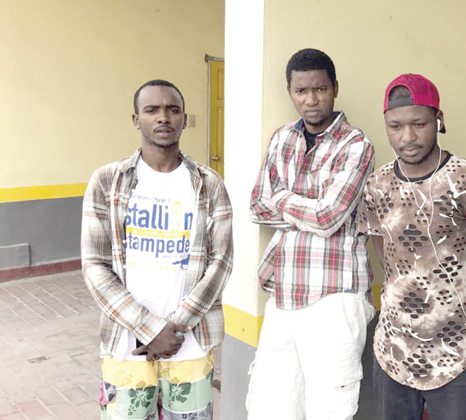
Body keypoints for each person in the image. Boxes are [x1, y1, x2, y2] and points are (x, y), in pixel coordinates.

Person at [358, 73, 466, 420]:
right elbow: (384, 248)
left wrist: (459, 309)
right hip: (393, 350)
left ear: (438, 119)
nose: (407, 137)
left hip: (457, 353)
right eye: (396, 126)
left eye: (419, 124)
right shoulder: (378, 185)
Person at [81, 79, 233, 419]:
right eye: (152, 110)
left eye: (172, 110)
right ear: (137, 119)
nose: (163, 117)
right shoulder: (107, 181)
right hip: (126, 343)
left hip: (190, 342)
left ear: (184, 119)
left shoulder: (208, 184)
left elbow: (221, 262)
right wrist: (149, 329)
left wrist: (173, 329)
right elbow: (94, 265)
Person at [246, 48, 375, 420]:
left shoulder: (356, 145)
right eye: (301, 91)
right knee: (271, 404)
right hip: (283, 293)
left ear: (335, 89)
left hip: (334, 296)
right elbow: (256, 206)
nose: (311, 100)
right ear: (291, 92)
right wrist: (308, 207)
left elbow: (329, 217)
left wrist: (282, 198)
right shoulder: (282, 138)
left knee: (330, 408)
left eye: (320, 89)